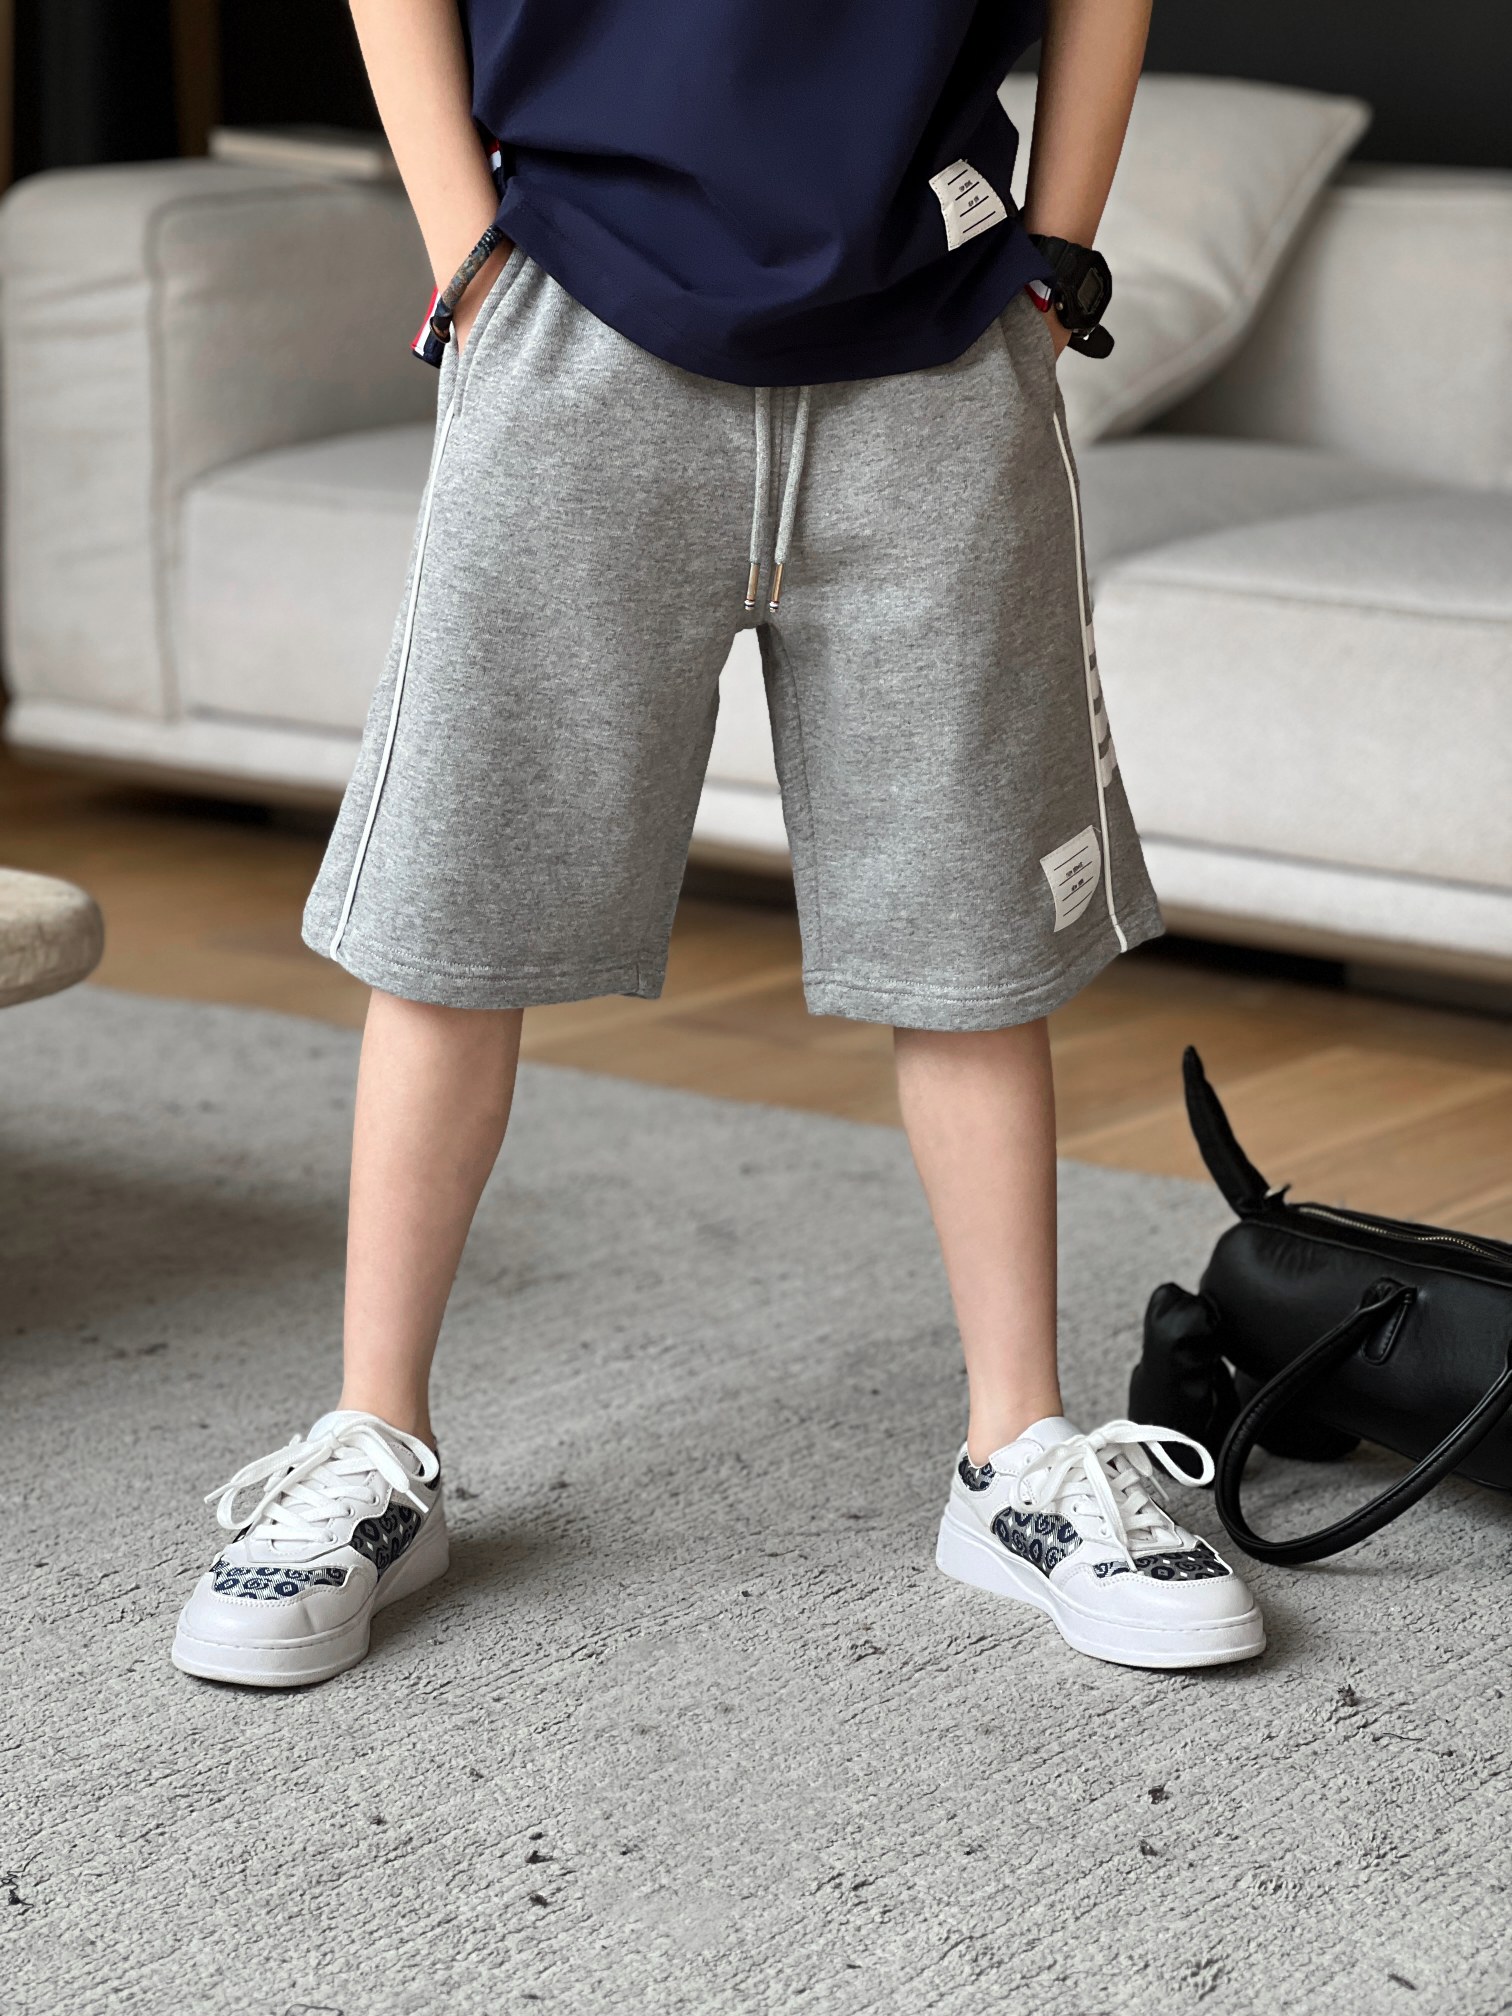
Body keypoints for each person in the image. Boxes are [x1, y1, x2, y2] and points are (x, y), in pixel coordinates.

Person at [171, 0, 1265, 1688]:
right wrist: (468, 253)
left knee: (971, 940)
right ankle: (374, 1444)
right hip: (574, 314)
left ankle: (1016, 1458)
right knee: (458, 912)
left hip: (933, 343)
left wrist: (1055, 255)